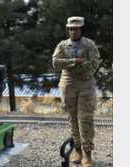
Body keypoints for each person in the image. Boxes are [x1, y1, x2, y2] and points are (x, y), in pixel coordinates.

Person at [52, 16, 101, 167]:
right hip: (68, 84)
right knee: (72, 118)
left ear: (81, 29)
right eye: (71, 29)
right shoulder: (62, 45)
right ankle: (77, 150)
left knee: (86, 119)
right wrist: (77, 61)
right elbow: (55, 63)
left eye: (76, 28)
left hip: (86, 84)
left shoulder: (89, 44)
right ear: (68, 30)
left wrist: (67, 63)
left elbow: (94, 63)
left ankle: (87, 154)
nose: (73, 31)